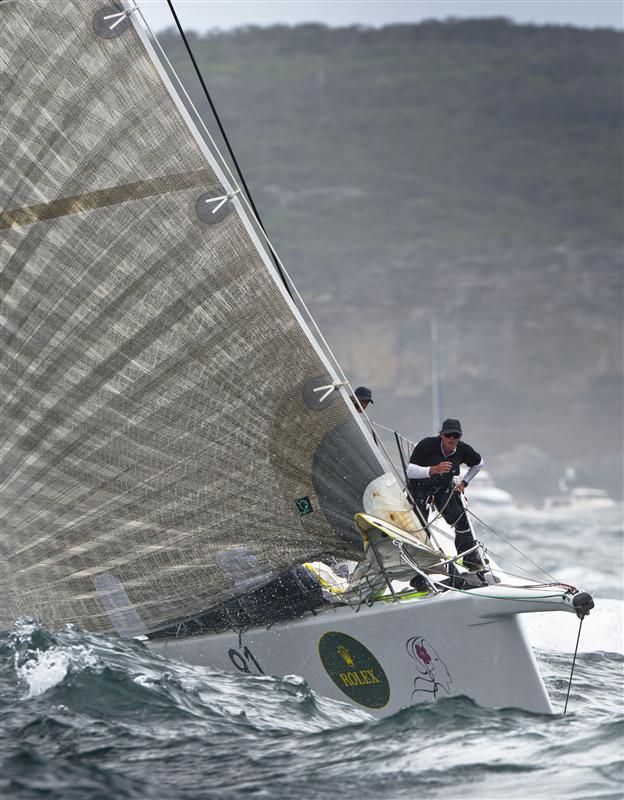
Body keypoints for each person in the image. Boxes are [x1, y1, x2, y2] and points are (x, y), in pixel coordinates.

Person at [406, 418, 485, 570]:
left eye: (456, 436)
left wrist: (464, 482)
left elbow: (479, 463)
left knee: (460, 517)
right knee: (420, 523)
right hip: (420, 486)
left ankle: (468, 558)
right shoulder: (427, 445)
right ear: (441, 435)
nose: (452, 439)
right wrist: (433, 469)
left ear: (459, 437)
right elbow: (410, 471)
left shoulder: (463, 449)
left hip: (443, 487)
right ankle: (421, 559)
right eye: (448, 435)